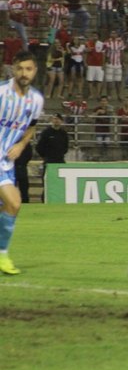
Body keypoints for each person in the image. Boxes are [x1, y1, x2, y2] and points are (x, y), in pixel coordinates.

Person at [0, 50, 43, 275]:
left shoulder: (36, 100)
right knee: (13, 204)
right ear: (13, 69)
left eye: (28, 69)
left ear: (34, 71)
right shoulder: (1, 93)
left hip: (5, 162)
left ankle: (2, 255)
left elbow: (31, 127)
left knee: (12, 207)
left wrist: (21, 145)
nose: (23, 73)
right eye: (19, 68)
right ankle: (3, 255)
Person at [36, 113, 69, 201]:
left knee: (60, 184)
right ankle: (44, 201)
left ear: (61, 121)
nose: (56, 121)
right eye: (54, 119)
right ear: (51, 120)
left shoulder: (63, 133)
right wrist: (46, 156)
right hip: (49, 162)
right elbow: (39, 147)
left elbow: (66, 147)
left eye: (58, 119)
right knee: (47, 184)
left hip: (60, 161)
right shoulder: (46, 132)